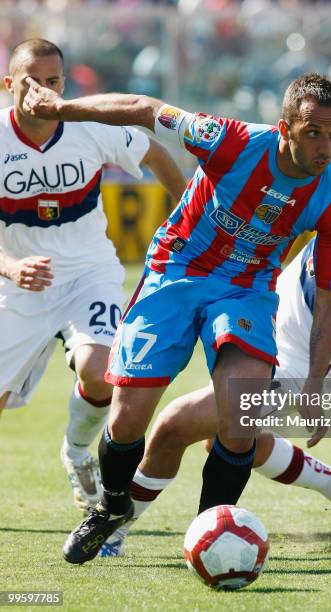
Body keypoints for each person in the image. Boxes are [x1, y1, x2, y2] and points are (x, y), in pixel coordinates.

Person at [23, 72, 331, 563]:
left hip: (245, 291)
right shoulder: (231, 140)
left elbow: (330, 299)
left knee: (240, 417)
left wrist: (313, 381)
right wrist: (61, 108)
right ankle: (111, 510)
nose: (326, 147)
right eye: (313, 133)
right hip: (176, 270)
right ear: (284, 128)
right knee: (128, 416)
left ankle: (211, 532)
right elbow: (143, 108)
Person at [97, 132, 331, 556]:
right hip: (257, 316)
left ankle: (112, 530)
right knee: (229, 439)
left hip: (300, 369)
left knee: (174, 426)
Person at [0, 39, 186, 514]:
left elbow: (156, 154)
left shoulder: (89, 126)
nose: (43, 90)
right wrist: (12, 267)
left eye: (53, 80)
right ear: (8, 85)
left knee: (102, 372)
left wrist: (192, 216)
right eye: (31, 81)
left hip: (89, 273)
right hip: (17, 283)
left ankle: (78, 452)